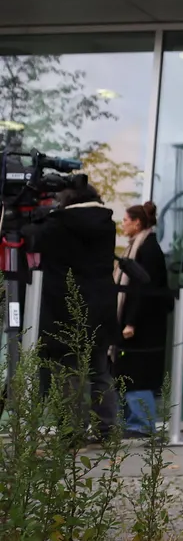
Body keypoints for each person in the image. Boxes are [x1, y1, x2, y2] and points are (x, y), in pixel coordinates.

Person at [22, 184, 123, 443]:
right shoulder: (105, 223)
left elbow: (30, 237)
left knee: (70, 373)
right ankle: (108, 429)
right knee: (100, 371)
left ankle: (73, 432)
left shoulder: (60, 225)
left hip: (66, 307)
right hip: (101, 307)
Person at [114, 201, 172, 436]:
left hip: (143, 325)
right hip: (136, 322)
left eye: (126, 220)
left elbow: (141, 289)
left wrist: (131, 322)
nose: (123, 225)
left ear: (137, 223)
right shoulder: (136, 247)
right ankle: (130, 420)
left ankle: (141, 422)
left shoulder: (147, 249)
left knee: (139, 373)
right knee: (128, 371)